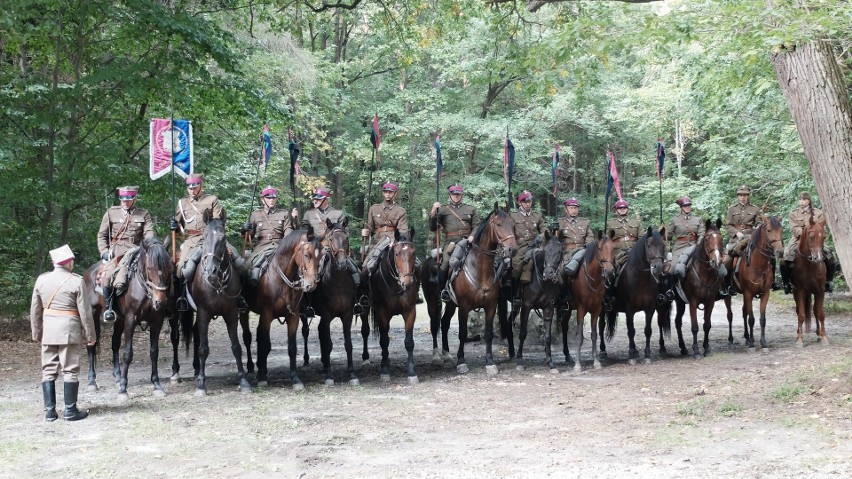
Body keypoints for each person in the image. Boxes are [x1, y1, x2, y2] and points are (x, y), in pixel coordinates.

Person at [30, 245, 97, 422]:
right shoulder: (76, 281)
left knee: (48, 370)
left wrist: (37, 333)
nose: (73, 263)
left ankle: (50, 412)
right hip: (69, 330)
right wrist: (90, 335)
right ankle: (70, 410)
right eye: (72, 261)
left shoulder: (41, 280)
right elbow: (85, 312)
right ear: (67, 263)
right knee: (70, 369)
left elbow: (35, 310)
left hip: (49, 331)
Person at [171, 173, 242, 311]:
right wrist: (174, 226)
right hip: (192, 241)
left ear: (201, 186)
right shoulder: (182, 203)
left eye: (195, 187)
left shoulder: (212, 200)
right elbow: (179, 228)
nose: (192, 190)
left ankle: (240, 298)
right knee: (182, 269)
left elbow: (217, 222)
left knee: (239, 262)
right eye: (189, 187)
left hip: (213, 239)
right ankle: (181, 299)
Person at [96, 186, 155, 323]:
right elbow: (102, 235)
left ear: (134, 199)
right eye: (122, 199)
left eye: (128, 199)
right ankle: (109, 308)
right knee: (108, 275)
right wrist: (104, 251)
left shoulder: (143, 214)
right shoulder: (111, 213)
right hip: (116, 252)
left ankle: (153, 307)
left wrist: (149, 246)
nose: (125, 202)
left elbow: (149, 233)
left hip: (136, 250)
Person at [300, 187, 364, 313]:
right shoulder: (309, 214)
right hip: (317, 249)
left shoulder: (338, 214)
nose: (315, 201)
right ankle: (306, 305)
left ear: (326, 199)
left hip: (336, 248)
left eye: (318, 199)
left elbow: (345, 233)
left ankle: (357, 300)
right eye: (315, 199)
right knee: (309, 272)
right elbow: (303, 232)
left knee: (355, 270)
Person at [360, 182, 410, 305]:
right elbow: (370, 227)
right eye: (385, 192)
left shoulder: (401, 211)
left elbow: (403, 230)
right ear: (383, 193)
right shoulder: (374, 208)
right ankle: (363, 294)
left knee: (414, 262)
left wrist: (396, 240)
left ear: (395, 194)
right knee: (366, 266)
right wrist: (365, 231)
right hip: (378, 241)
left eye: (390, 192)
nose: (388, 194)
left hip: (395, 240)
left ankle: (413, 292)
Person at [430, 183, 479, 302]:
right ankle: (443, 290)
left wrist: (472, 235)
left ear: (461, 195)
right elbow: (433, 228)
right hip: (451, 242)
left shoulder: (470, 209)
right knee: (446, 261)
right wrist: (433, 212)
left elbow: (477, 225)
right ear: (450, 195)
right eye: (453, 194)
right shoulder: (442, 210)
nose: (456, 196)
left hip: (468, 241)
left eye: (458, 194)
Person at [780, 191, 837, 293]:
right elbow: (794, 228)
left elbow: (821, 227)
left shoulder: (818, 213)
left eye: (804, 199)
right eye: (800, 199)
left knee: (831, 256)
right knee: (785, 257)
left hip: (815, 240)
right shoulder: (793, 213)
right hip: (798, 239)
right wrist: (805, 234)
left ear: (809, 201)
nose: (802, 201)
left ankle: (829, 282)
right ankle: (786, 283)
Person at [241, 186, 298, 285]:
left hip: (279, 245)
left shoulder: (283, 213)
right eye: (268, 198)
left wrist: (285, 245)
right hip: (261, 247)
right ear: (263, 200)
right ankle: (246, 295)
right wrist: (244, 229)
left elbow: (288, 230)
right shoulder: (255, 215)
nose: (271, 200)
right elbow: (249, 235)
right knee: (246, 267)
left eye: (273, 198)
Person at [722, 185, 762, 296]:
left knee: (767, 255)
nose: (742, 197)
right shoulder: (732, 209)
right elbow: (728, 225)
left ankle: (768, 283)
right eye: (740, 195)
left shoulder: (755, 209)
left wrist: (757, 228)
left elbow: (758, 223)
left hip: (751, 237)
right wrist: (736, 232)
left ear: (748, 196)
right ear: (738, 196)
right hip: (735, 239)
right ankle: (727, 286)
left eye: (745, 195)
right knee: (727, 261)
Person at [509, 190, 543, 307]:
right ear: (520, 203)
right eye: (525, 201)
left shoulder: (537, 216)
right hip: (520, 247)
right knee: (517, 268)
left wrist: (540, 236)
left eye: (529, 201)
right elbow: (508, 232)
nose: (528, 204)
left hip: (536, 246)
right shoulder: (513, 216)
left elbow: (545, 231)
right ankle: (515, 294)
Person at [558, 197, 595, 305]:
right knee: (560, 271)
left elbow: (590, 235)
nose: (573, 210)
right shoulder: (560, 223)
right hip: (567, 252)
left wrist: (588, 245)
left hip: (582, 251)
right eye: (571, 208)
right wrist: (556, 232)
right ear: (566, 209)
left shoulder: (585, 222)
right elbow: (556, 239)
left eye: (575, 208)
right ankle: (563, 294)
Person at [667, 196, 705, 279]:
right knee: (673, 266)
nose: (687, 207)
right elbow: (668, 237)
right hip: (679, 247)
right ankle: (670, 289)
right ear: (681, 207)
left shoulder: (698, 219)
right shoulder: (674, 220)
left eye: (689, 205)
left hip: (694, 246)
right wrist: (663, 232)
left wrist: (698, 245)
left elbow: (702, 234)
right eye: (685, 206)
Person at [606, 199, 642, 269]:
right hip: (618, 252)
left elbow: (642, 238)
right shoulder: (610, 223)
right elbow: (607, 241)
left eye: (624, 208)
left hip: (634, 251)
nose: (622, 209)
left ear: (627, 209)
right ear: (616, 210)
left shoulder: (636, 222)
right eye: (620, 208)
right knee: (610, 271)